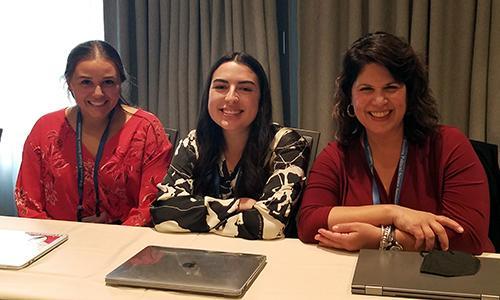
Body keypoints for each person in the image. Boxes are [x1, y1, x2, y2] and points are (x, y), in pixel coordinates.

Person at [297, 32, 494, 254]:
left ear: (410, 93)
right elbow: (309, 222)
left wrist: (379, 238)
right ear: (349, 96)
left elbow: (468, 237)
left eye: (391, 88)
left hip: (443, 280)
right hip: (359, 277)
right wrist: (392, 213)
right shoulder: (336, 155)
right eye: (366, 89)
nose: (379, 100)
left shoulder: (449, 145)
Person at [151, 52, 309, 240]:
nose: (231, 97)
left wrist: (194, 216)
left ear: (261, 100)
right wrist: (238, 205)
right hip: (201, 258)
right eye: (221, 86)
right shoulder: (195, 142)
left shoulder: (286, 144)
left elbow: (270, 224)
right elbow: (163, 212)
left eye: (245, 89)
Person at [15, 40, 172, 226]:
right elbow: (28, 204)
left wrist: (111, 235)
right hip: (58, 245)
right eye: (86, 82)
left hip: (126, 245)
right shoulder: (45, 128)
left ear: (120, 83)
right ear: (69, 83)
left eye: (108, 82)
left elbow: (153, 204)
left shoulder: (146, 129)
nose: (98, 93)